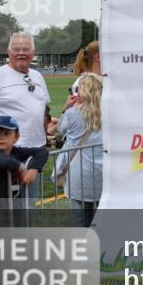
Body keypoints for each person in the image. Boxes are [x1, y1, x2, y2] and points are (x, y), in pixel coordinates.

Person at [0, 33, 51, 198]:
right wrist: (0, 152)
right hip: (6, 156)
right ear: (8, 52)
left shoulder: (37, 76)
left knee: (28, 207)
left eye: (26, 49)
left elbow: (43, 111)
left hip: (34, 153)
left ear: (33, 52)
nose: (21, 52)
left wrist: (44, 140)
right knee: (2, 210)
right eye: (16, 49)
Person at [54, 74, 103, 227]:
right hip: (104, 173)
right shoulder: (111, 113)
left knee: (81, 222)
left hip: (79, 173)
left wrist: (67, 107)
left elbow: (59, 130)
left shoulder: (72, 114)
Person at [0, 115, 48, 224]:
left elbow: (42, 152)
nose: (1, 138)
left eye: (6, 134)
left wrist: (33, 170)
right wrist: (21, 169)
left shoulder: (15, 151)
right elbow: (4, 161)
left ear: (16, 137)